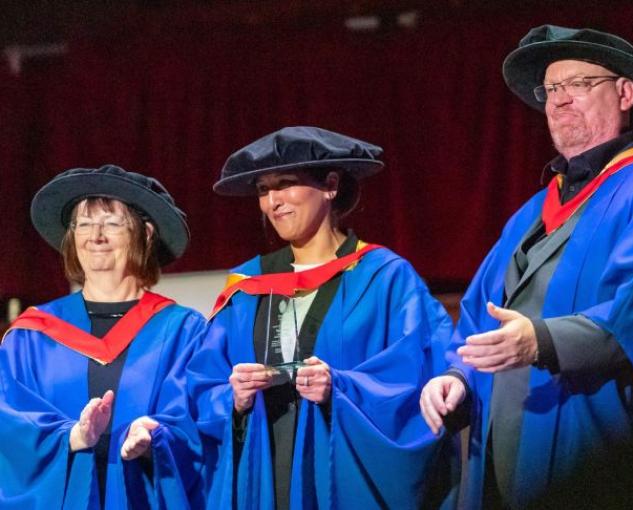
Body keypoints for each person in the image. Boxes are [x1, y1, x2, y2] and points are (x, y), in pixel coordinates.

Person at [419, 25, 633, 508]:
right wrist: (456, 375)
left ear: (624, 93)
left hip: (601, 446)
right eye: (551, 89)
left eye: (578, 84)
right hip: (503, 455)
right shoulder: (530, 213)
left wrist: (543, 340)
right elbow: (478, 315)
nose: (558, 100)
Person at [186, 126, 457, 510]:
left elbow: (422, 375)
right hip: (265, 472)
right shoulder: (246, 287)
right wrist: (234, 398)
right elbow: (200, 386)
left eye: (286, 184)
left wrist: (340, 389)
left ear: (330, 185)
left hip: (340, 473)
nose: (273, 201)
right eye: (263, 189)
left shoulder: (383, 276)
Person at [0, 165, 206, 509]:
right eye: (83, 224)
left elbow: (202, 419)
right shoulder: (31, 335)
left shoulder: (184, 331)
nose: (95, 236)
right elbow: (8, 421)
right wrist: (71, 436)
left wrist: (157, 437)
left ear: (147, 233)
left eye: (111, 223)